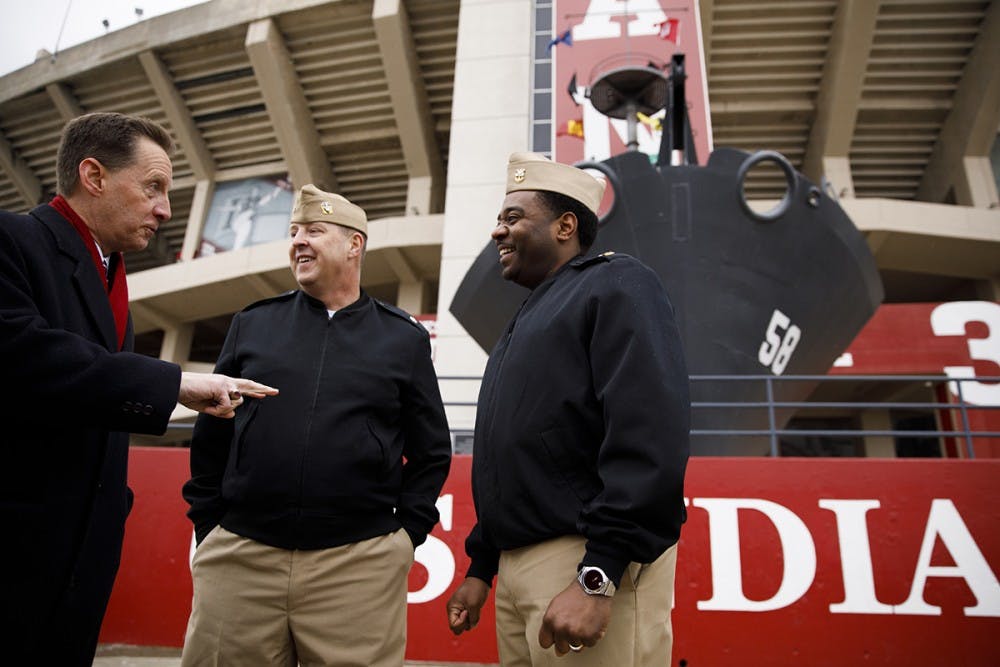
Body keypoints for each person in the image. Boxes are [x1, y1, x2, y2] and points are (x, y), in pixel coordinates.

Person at [0, 111, 278, 666]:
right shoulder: (12, 241)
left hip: (79, 558)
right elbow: (24, 355)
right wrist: (173, 381)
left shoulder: (109, 273)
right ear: (94, 176)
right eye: (153, 186)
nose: (165, 209)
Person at [181, 184, 452, 666]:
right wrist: (211, 523)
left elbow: (431, 451)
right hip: (242, 557)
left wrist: (403, 538)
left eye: (315, 231)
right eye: (293, 232)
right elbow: (212, 432)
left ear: (355, 244)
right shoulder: (253, 324)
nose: (299, 241)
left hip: (356, 566)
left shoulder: (402, 338)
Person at [446, 152, 690, 665]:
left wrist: (599, 573)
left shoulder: (617, 282)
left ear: (565, 225)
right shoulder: (526, 318)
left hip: (582, 560)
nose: (497, 232)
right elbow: (511, 460)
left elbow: (648, 431)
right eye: (498, 220)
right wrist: (482, 568)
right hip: (517, 571)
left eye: (513, 217)